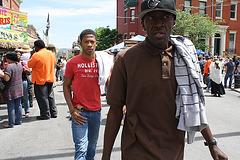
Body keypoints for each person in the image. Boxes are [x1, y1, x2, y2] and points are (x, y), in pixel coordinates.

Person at [102, 0, 228, 160]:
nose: (158, 23)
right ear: (143, 24)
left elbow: (193, 106)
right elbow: (115, 110)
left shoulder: (185, 58)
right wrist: (105, 156)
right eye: (151, 17)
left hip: (174, 151)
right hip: (136, 150)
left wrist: (212, 144)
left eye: (165, 17)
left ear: (174, 22)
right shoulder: (125, 58)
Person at [63, 29, 112, 160]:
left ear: (96, 43)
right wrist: (71, 109)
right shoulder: (72, 62)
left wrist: (120, 103)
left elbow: (109, 85)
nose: (89, 44)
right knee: (81, 148)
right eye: (86, 42)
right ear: (80, 43)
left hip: (96, 112)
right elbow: (66, 86)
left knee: (92, 148)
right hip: (79, 112)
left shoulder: (102, 61)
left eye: (92, 42)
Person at [28, 40, 58, 120]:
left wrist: (32, 54)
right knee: (50, 96)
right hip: (50, 78)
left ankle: (45, 114)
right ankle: (53, 112)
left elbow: (29, 64)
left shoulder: (36, 55)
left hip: (40, 79)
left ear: (37, 47)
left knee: (42, 98)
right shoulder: (51, 54)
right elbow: (54, 63)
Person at [0, 52, 23, 128]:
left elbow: (7, 78)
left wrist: (2, 74)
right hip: (19, 88)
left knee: (11, 106)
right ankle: (19, 121)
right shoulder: (19, 65)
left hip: (11, 89)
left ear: (9, 58)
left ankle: (11, 123)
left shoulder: (9, 66)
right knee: (18, 105)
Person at [17, 52, 31, 117]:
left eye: (19, 55)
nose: (18, 56)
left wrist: (24, 68)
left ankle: (27, 111)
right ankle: (18, 112)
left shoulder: (23, 63)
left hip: (23, 80)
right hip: (16, 82)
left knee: (25, 97)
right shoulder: (12, 63)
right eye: (16, 55)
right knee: (18, 98)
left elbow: (29, 71)